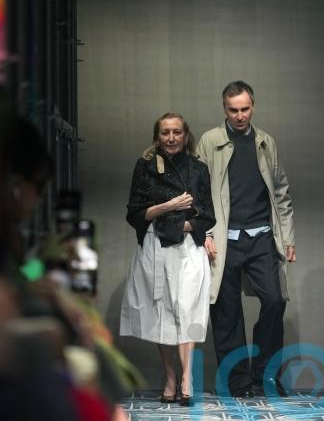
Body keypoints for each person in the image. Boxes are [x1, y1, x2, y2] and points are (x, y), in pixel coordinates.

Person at [196, 80, 296, 397]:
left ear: (253, 106)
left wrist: (287, 237)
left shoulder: (266, 141)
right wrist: (204, 233)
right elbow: (197, 193)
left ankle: (264, 376)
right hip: (222, 239)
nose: (239, 116)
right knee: (226, 311)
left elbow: (281, 192)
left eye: (245, 109)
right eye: (233, 110)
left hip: (261, 237)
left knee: (275, 300)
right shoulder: (209, 141)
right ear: (224, 109)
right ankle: (238, 382)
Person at [121, 112, 215, 406]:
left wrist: (184, 225)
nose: (171, 138)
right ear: (157, 136)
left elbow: (207, 214)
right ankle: (170, 376)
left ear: (186, 135)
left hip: (187, 248)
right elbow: (136, 213)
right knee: (160, 310)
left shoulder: (198, 169)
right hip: (156, 246)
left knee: (187, 308)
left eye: (176, 132)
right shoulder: (145, 166)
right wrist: (170, 205)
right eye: (165, 132)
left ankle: (187, 377)